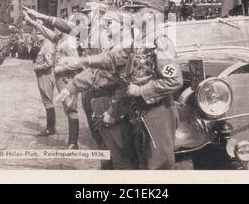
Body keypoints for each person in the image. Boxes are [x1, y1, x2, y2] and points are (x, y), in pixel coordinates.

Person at [57, 10, 183, 169]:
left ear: (150, 15)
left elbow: (174, 80)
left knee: (159, 166)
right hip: (141, 114)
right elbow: (111, 58)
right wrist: (83, 60)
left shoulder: (160, 42)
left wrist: (142, 91)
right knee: (143, 163)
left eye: (138, 10)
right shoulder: (139, 42)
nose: (132, 13)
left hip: (158, 114)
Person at [23, 11, 80, 148]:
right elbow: (46, 31)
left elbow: (76, 62)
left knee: (71, 109)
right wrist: (31, 21)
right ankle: (72, 142)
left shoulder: (69, 42)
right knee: (67, 109)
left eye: (58, 27)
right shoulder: (60, 39)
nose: (55, 29)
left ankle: (73, 143)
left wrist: (60, 69)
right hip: (62, 78)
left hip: (68, 78)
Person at [32, 31, 57, 136]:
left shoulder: (48, 46)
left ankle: (50, 129)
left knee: (48, 102)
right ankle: (50, 128)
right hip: (43, 75)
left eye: (39, 32)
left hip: (46, 75)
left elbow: (49, 63)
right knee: (46, 101)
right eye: (36, 32)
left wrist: (36, 67)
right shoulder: (44, 45)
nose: (37, 35)